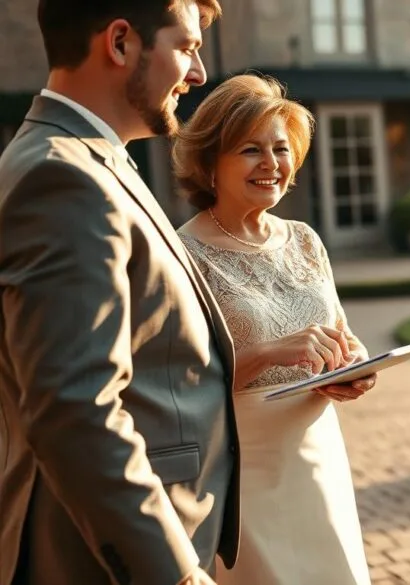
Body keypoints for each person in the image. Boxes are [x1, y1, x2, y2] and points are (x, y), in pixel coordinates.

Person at [0, 2, 237, 585]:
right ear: (121, 42)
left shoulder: (98, 160)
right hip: (103, 559)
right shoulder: (64, 177)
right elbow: (77, 410)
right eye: (186, 47)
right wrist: (174, 574)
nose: (199, 73)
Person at [172, 73, 375, 585]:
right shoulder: (182, 254)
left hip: (320, 459)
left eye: (281, 148)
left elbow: (343, 336)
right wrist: (268, 352)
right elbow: (177, 385)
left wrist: (357, 367)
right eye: (250, 149)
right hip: (244, 476)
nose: (271, 164)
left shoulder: (306, 240)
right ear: (209, 162)